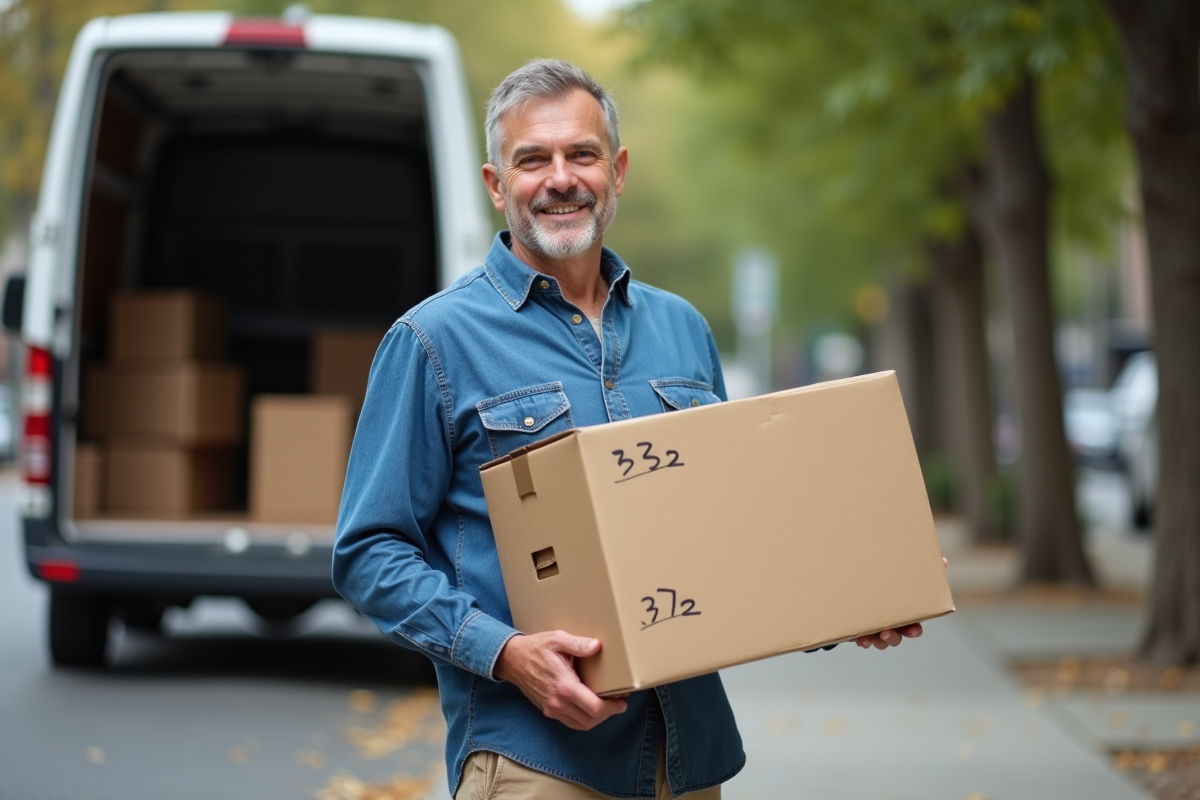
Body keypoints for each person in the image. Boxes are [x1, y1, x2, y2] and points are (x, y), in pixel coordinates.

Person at [332, 59, 924, 800]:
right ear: (495, 185)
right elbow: (368, 551)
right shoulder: (433, 340)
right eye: (532, 160)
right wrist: (507, 652)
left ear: (616, 171)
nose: (560, 178)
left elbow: (735, 531)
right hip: (538, 761)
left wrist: (844, 604)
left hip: (689, 756)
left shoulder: (682, 330)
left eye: (581, 154)